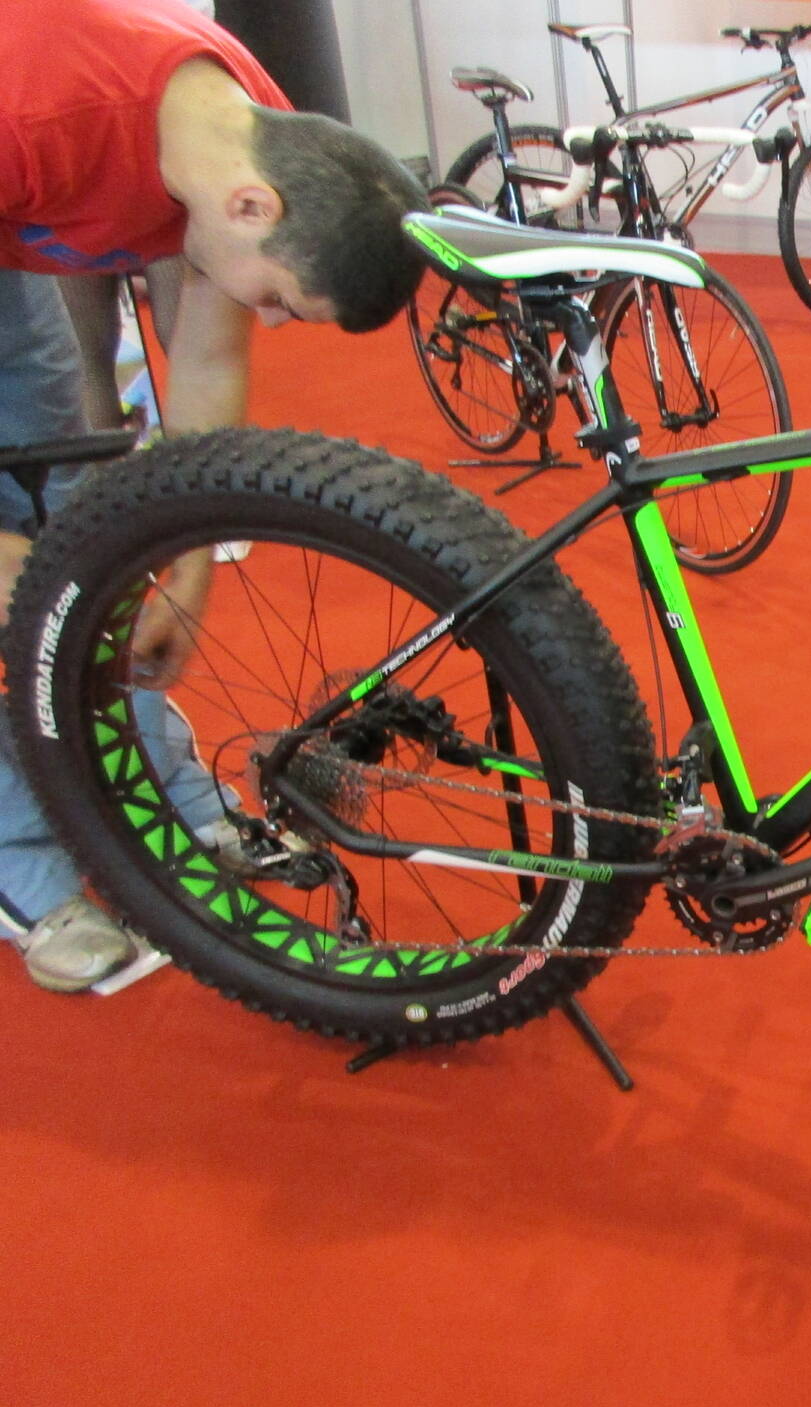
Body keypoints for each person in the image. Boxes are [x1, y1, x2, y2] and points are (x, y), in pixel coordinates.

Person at [1, 0, 428, 990]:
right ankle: (24, 865)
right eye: (279, 298)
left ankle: (159, 799)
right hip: (24, 140)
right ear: (250, 209)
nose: (269, 323)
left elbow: (203, 367)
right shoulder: (38, 115)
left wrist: (183, 575)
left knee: (72, 524)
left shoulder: (255, 137)